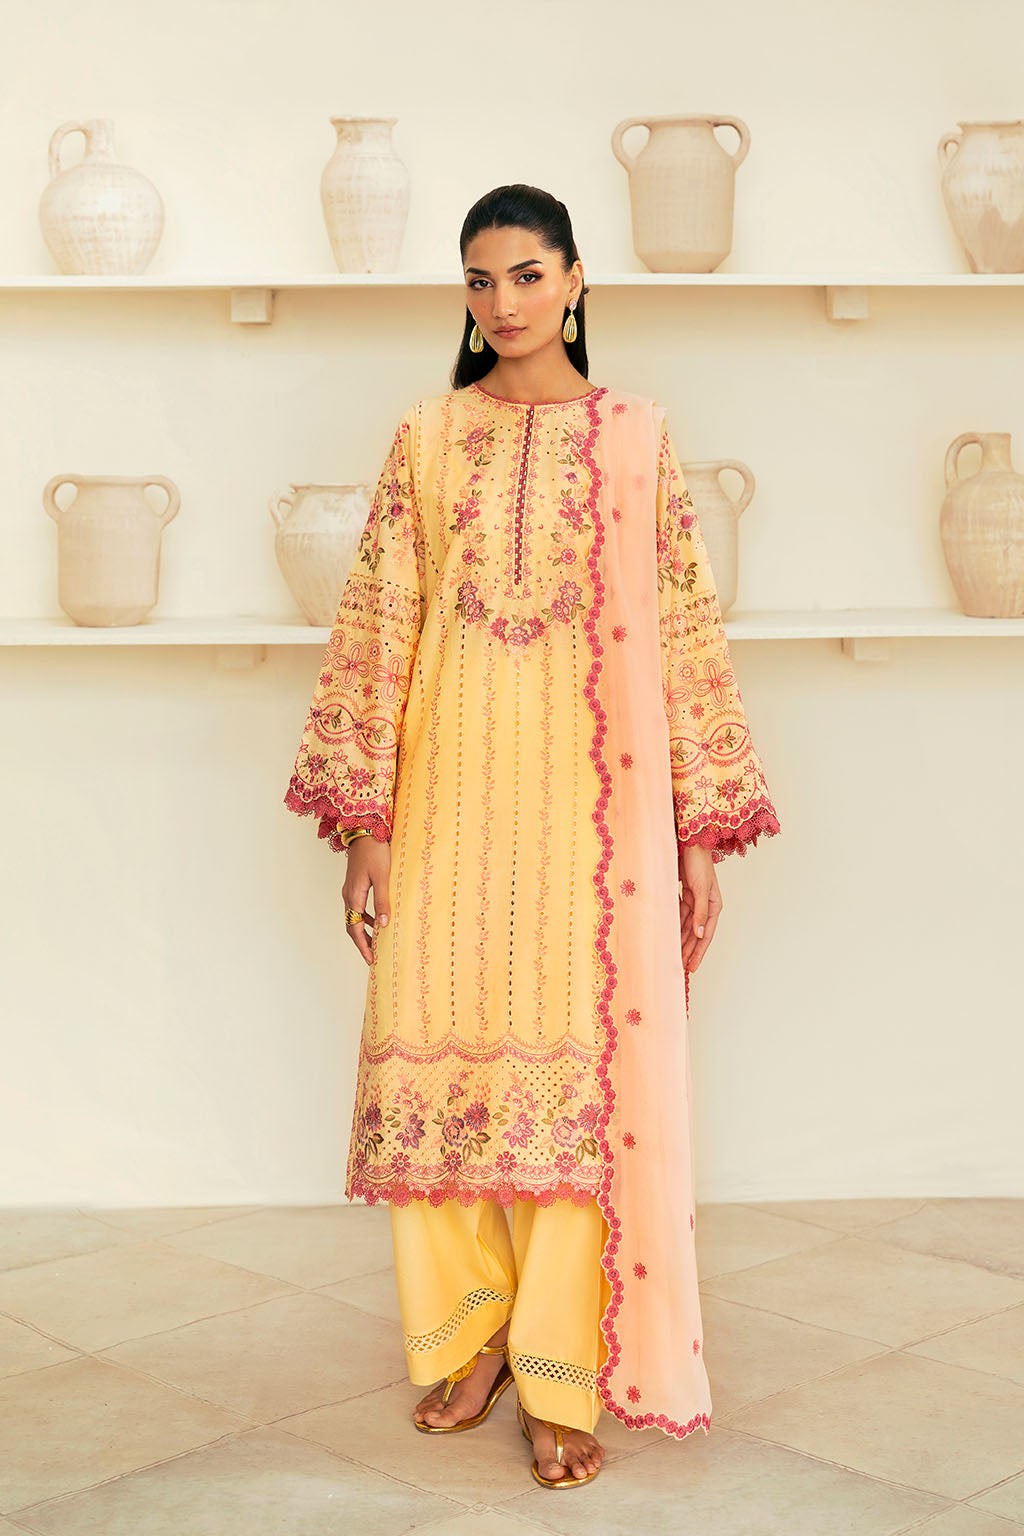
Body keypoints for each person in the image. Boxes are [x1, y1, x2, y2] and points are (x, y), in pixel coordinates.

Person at [284, 183, 782, 1489]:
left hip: (589, 815)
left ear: (574, 281)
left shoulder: (636, 437)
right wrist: (364, 821)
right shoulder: (428, 436)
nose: (501, 303)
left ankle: (560, 1372)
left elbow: (684, 631)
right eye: (479, 280)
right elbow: (380, 623)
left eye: (525, 275)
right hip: (446, 799)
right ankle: (471, 1332)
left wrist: (699, 826)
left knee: (572, 1087)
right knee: (435, 1065)